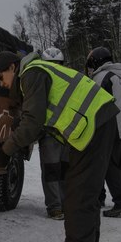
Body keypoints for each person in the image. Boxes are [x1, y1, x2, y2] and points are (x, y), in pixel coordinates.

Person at [0, 50, 119, 242]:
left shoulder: (31, 74)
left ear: (12, 68)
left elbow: (32, 123)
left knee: (79, 190)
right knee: (82, 188)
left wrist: (5, 152)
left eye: (1, 78)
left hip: (94, 123)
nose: (2, 85)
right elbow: (41, 124)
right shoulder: (36, 73)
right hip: (96, 123)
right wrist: (3, 145)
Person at [86, 47, 121, 218]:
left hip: (112, 127)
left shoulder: (102, 77)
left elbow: (95, 104)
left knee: (109, 165)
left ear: (96, 61)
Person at [38, 47, 69, 220]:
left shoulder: (67, 81)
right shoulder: (42, 81)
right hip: (50, 132)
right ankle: (55, 206)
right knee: (52, 170)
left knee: (64, 170)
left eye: (57, 65)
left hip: (65, 132)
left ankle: (63, 204)